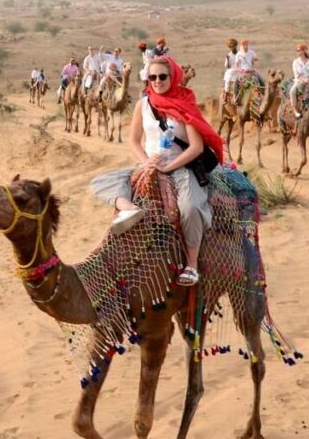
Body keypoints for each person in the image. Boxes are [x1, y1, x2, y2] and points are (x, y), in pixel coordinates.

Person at [89, 56, 225, 287]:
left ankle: (192, 265)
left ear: (173, 77)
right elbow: (134, 141)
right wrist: (147, 163)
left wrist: (168, 167)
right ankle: (130, 209)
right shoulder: (143, 105)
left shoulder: (185, 105)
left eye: (162, 76)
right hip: (149, 165)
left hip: (180, 167)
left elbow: (196, 147)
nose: (157, 81)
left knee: (191, 207)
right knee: (100, 182)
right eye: (152, 77)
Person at [221, 38, 239, 105]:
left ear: (236, 46)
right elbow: (227, 66)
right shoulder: (228, 55)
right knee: (228, 82)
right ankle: (225, 97)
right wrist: (228, 60)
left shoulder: (240, 54)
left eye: (233, 46)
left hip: (238, 71)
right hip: (230, 72)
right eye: (231, 47)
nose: (232, 48)